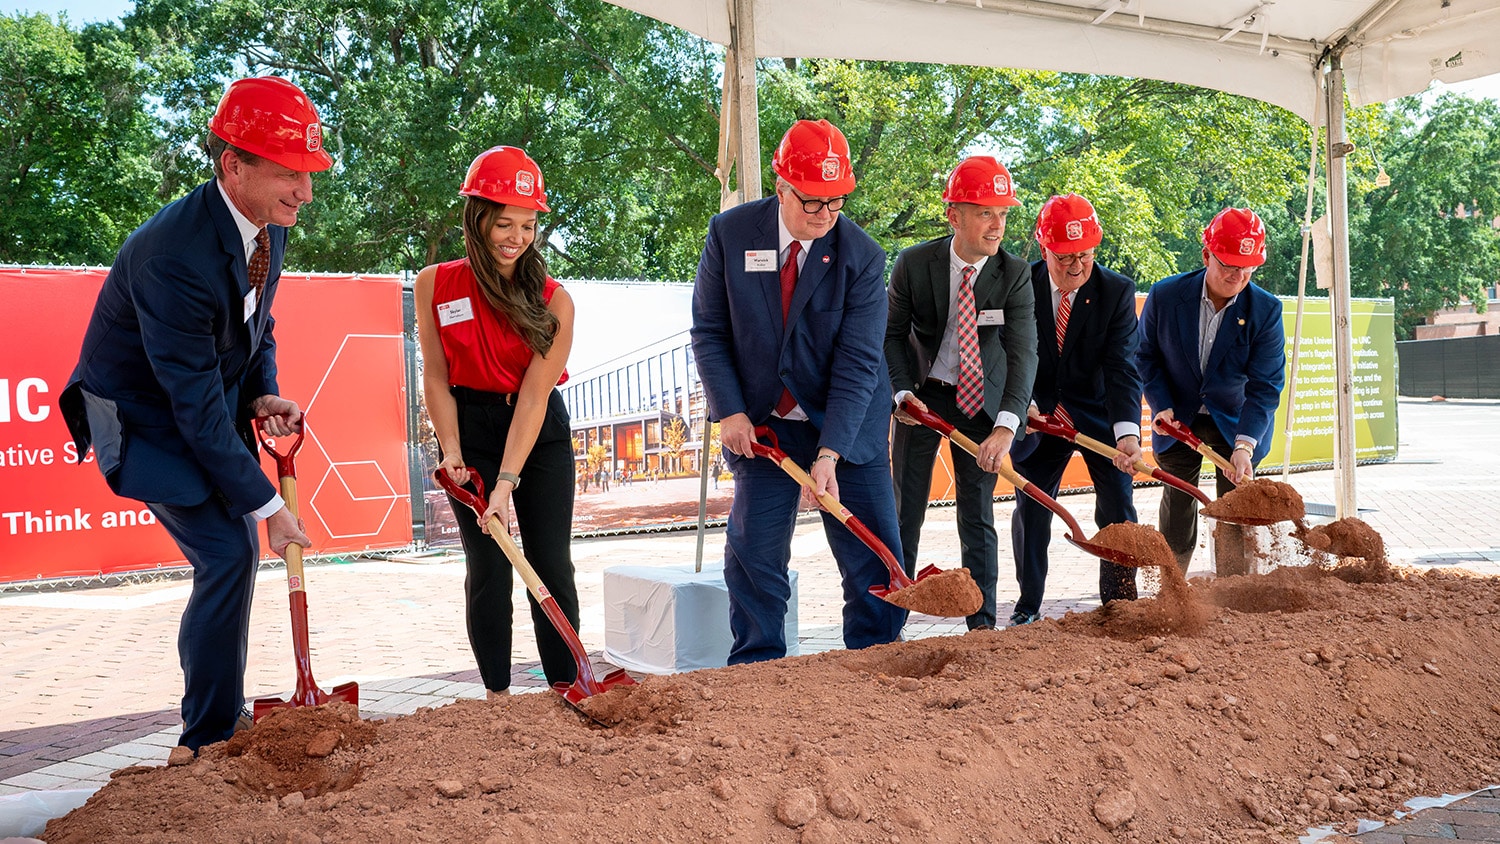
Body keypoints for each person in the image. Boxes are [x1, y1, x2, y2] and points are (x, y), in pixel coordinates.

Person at [59, 76, 327, 752]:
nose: (306, 193)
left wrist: (264, 392)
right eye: (290, 175)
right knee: (229, 550)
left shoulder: (268, 226)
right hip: (145, 422)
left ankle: (214, 721)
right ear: (233, 164)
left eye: (310, 174)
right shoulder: (170, 255)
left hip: (198, 405)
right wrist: (270, 508)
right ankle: (207, 737)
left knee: (229, 552)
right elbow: (194, 404)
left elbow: (257, 323)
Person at [691, 118, 905, 663]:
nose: (826, 215)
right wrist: (730, 412)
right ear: (780, 186)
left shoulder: (862, 256)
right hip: (763, 425)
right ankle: (760, 668)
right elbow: (710, 331)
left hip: (846, 422)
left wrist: (830, 452)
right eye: (813, 202)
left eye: (837, 202)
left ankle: (876, 656)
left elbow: (860, 361)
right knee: (754, 553)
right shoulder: (731, 234)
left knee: (872, 555)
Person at [415, 145, 581, 695]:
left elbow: (534, 398)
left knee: (550, 563)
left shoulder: (555, 301)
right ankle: (497, 697)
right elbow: (436, 377)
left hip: (537, 437)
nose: (517, 236)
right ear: (476, 218)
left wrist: (506, 482)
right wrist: (452, 451)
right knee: (488, 569)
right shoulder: (433, 284)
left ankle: (566, 686)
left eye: (529, 224)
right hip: (471, 431)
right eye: (504, 222)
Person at [886, 155, 1039, 631]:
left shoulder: (1013, 273)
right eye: (986, 213)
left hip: (980, 404)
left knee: (977, 518)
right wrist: (900, 394)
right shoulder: (914, 263)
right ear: (955, 216)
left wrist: (1005, 427)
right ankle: (888, 625)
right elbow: (891, 336)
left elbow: (1024, 352)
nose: (998, 226)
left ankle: (982, 628)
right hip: (922, 398)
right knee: (904, 510)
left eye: (1004, 213)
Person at [1008, 194, 1144, 625]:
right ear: (1043, 247)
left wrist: (1127, 435)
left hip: (1098, 415)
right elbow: (1007, 354)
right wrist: (1020, 407)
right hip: (1037, 417)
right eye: (1064, 258)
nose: (1075, 268)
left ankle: (1121, 603)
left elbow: (1122, 367)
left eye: (1084, 256)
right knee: (1032, 508)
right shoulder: (1017, 285)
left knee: (1118, 508)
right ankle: (1028, 606)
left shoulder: (1116, 292)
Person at [1136, 207, 1286, 573]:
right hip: (1177, 417)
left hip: (1235, 421)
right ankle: (1173, 582)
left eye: (1248, 268)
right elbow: (1145, 356)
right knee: (1179, 499)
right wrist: (1161, 404)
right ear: (1206, 255)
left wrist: (1244, 445)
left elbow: (1265, 387)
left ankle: (1232, 588)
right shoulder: (1166, 296)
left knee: (1235, 505)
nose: (1238, 276)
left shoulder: (1265, 311)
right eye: (1229, 265)